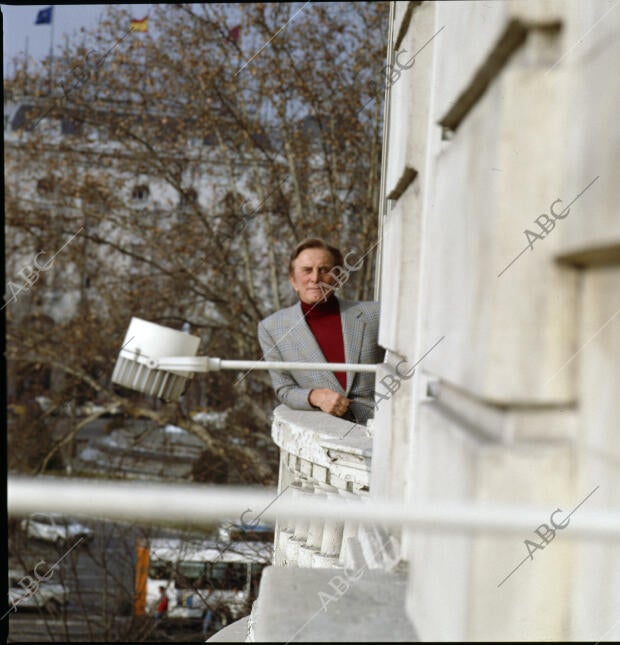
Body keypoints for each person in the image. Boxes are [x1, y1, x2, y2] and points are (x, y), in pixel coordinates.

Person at [257, 237, 384, 425]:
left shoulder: (375, 314)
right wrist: (315, 397)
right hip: (323, 434)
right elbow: (284, 389)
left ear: (339, 278)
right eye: (307, 270)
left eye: (324, 270)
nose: (315, 278)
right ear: (293, 280)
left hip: (383, 431)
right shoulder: (272, 328)